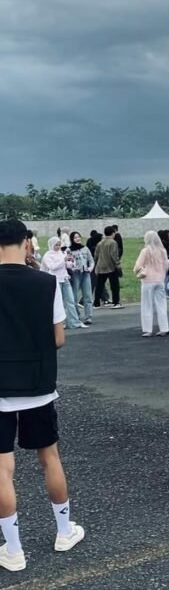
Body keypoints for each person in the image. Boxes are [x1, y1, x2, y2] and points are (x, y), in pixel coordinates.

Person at [0, 220, 85, 572]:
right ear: (25, 241)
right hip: (38, 384)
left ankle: (14, 549)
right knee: (49, 456)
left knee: (2, 468)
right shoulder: (46, 283)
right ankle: (64, 530)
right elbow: (59, 337)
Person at [41, 237, 85, 329]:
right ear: (51, 245)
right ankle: (61, 323)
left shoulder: (61, 253)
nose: (58, 247)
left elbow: (66, 265)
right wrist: (63, 260)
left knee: (71, 301)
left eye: (59, 245)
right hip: (55, 279)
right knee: (58, 302)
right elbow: (52, 267)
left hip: (65, 278)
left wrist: (70, 261)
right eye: (56, 245)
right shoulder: (48, 255)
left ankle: (74, 322)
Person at [134, 231, 169, 337]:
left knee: (147, 305)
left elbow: (138, 265)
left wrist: (137, 271)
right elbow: (166, 266)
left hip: (147, 280)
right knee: (161, 304)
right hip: (160, 280)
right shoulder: (162, 251)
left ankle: (148, 329)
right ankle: (164, 328)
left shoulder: (145, 251)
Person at [67, 232, 95, 325]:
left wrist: (90, 268)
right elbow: (68, 263)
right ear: (72, 239)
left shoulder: (85, 248)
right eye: (75, 237)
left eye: (79, 237)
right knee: (74, 296)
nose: (78, 239)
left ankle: (88, 316)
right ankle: (77, 316)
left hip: (86, 274)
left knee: (88, 295)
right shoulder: (69, 250)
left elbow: (91, 260)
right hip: (75, 275)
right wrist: (74, 268)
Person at [93, 226, 123, 309]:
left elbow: (96, 256)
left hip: (100, 267)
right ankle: (116, 302)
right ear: (113, 233)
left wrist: (95, 265)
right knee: (114, 285)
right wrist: (118, 265)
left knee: (99, 286)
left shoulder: (100, 243)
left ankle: (96, 303)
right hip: (111, 267)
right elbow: (114, 255)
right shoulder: (113, 242)